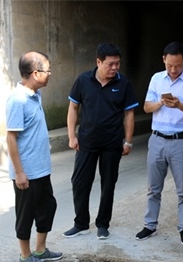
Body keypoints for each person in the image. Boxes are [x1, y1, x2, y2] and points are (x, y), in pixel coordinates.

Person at [63, 43, 139, 240]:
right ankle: (81, 223)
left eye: (117, 64)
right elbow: (73, 107)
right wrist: (71, 136)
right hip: (86, 142)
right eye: (110, 64)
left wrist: (128, 141)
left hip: (112, 144)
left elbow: (129, 114)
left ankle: (103, 224)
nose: (115, 68)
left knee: (108, 184)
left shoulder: (123, 83)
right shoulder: (83, 80)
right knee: (80, 182)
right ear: (98, 62)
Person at [135, 41, 183, 246]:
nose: (173, 70)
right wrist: (160, 103)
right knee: (153, 188)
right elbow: (146, 107)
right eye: (169, 65)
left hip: (181, 141)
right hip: (157, 139)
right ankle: (150, 225)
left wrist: (180, 105)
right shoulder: (157, 79)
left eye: (178, 66)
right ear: (163, 60)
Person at [6, 51, 63, 262]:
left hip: (41, 169)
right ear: (35, 73)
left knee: (48, 207)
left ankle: (40, 249)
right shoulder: (17, 100)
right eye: (48, 70)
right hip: (27, 171)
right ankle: (25, 256)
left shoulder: (35, 95)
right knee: (25, 214)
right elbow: (11, 138)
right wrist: (19, 172)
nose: (50, 74)